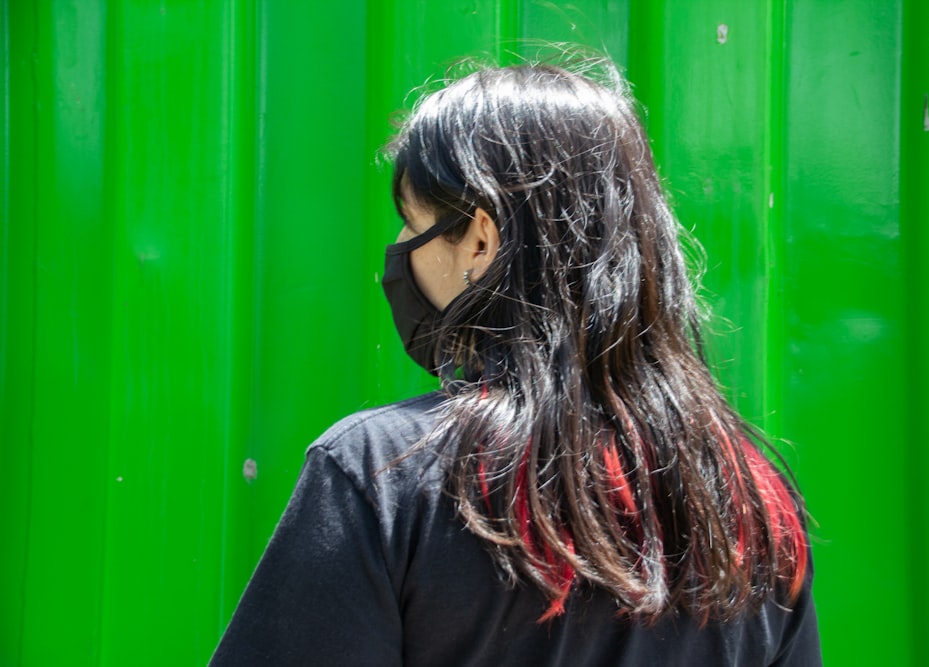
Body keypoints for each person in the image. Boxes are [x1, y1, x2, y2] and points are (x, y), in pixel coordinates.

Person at [210, 59, 821, 666]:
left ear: (480, 239)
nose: (399, 250)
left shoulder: (384, 471)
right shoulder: (750, 502)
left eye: (411, 221)